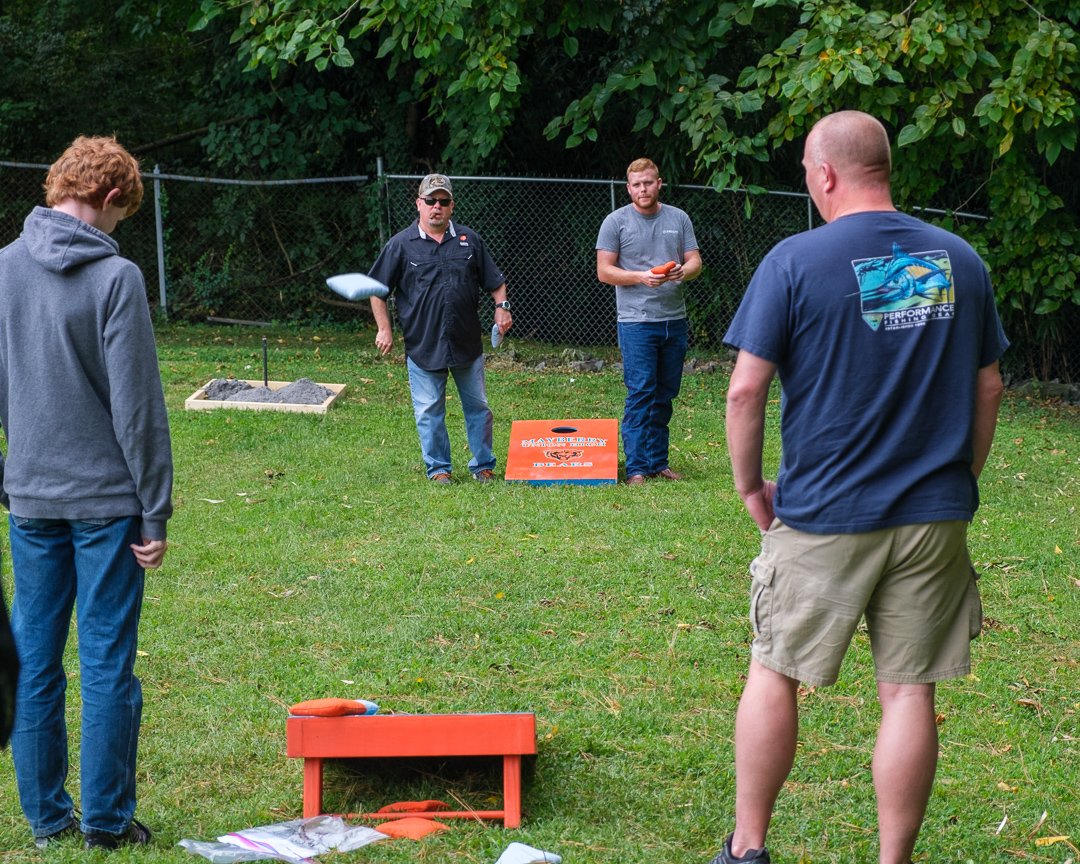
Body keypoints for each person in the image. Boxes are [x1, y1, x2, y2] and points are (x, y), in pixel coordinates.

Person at [714, 111, 1008, 864]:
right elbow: (990, 387)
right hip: (934, 515)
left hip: (824, 512)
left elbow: (746, 392)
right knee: (910, 692)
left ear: (825, 174)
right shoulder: (958, 259)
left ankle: (747, 850)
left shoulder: (794, 260)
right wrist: (958, 479)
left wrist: (751, 489)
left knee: (774, 669)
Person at [0, 136, 174, 850]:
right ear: (107, 198)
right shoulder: (116, 277)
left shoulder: (3, 268)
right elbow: (138, 408)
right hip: (106, 504)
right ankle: (104, 821)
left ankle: (46, 821)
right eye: (120, 214)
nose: (116, 229)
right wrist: (156, 507)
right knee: (106, 661)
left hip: (31, 499)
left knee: (34, 661)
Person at [369, 173, 511, 484]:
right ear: (418, 204)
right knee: (429, 413)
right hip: (423, 345)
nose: (437, 207)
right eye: (430, 201)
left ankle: (483, 466)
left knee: (479, 408)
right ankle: (439, 470)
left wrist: (502, 309)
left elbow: (496, 282)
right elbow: (377, 290)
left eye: (443, 201)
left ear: (451, 206)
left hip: (466, 343)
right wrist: (385, 329)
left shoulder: (469, 241)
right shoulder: (400, 245)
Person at [596, 157, 702, 485]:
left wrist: (685, 270)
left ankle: (659, 462)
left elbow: (695, 260)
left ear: (659, 184)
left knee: (665, 393)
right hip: (636, 322)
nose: (643, 189)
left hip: (674, 319)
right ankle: (637, 468)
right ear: (628, 189)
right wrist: (641, 277)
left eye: (648, 183)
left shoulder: (678, 218)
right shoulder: (615, 222)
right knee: (641, 392)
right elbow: (604, 271)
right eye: (637, 184)